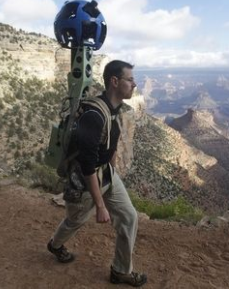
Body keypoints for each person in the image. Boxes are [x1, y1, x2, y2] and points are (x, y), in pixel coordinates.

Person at [48, 60, 147, 287]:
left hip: (107, 174)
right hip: (85, 180)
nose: (135, 84)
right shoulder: (94, 115)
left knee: (129, 216)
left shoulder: (115, 109)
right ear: (114, 81)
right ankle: (54, 245)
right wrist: (100, 206)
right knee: (75, 220)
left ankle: (121, 271)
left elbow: (110, 144)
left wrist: (112, 172)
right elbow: (86, 164)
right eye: (130, 79)